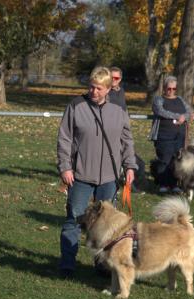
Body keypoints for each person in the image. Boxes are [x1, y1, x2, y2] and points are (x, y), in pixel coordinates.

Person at [57, 66, 138, 278]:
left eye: (99, 89)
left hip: (109, 177)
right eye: (91, 87)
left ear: (109, 89)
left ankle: (102, 265)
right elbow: (64, 139)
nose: (94, 92)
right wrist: (65, 167)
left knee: (107, 225)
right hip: (80, 175)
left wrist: (130, 166)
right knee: (74, 219)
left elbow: (127, 141)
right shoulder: (76, 106)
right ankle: (67, 263)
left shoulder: (119, 111)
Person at [149, 76, 194, 193]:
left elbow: (189, 111)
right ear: (164, 88)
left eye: (173, 89)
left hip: (179, 136)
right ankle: (163, 184)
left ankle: (174, 184)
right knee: (164, 159)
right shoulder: (158, 99)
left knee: (176, 160)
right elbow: (160, 111)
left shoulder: (180, 99)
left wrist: (186, 116)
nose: (171, 91)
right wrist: (178, 116)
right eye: (168, 88)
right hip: (164, 135)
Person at [108, 66, 146, 193]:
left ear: (120, 79)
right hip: (109, 132)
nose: (113, 80)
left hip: (122, 131)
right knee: (113, 160)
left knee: (136, 162)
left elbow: (124, 110)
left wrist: (127, 126)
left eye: (116, 78)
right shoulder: (104, 92)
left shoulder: (121, 91)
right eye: (111, 77)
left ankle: (129, 184)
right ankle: (114, 185)